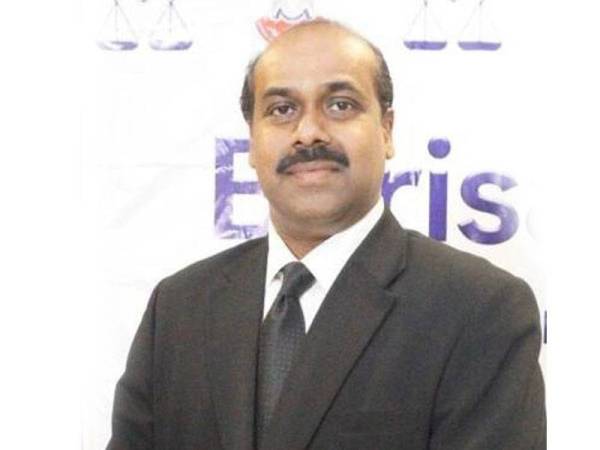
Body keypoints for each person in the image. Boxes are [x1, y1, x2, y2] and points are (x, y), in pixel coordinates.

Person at [107, 18, 546, 450]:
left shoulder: (479, 309)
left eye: (340, 105)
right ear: (251, 142)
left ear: (387, 130)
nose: (308, 133)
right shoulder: (179, 307)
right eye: (282, 110)